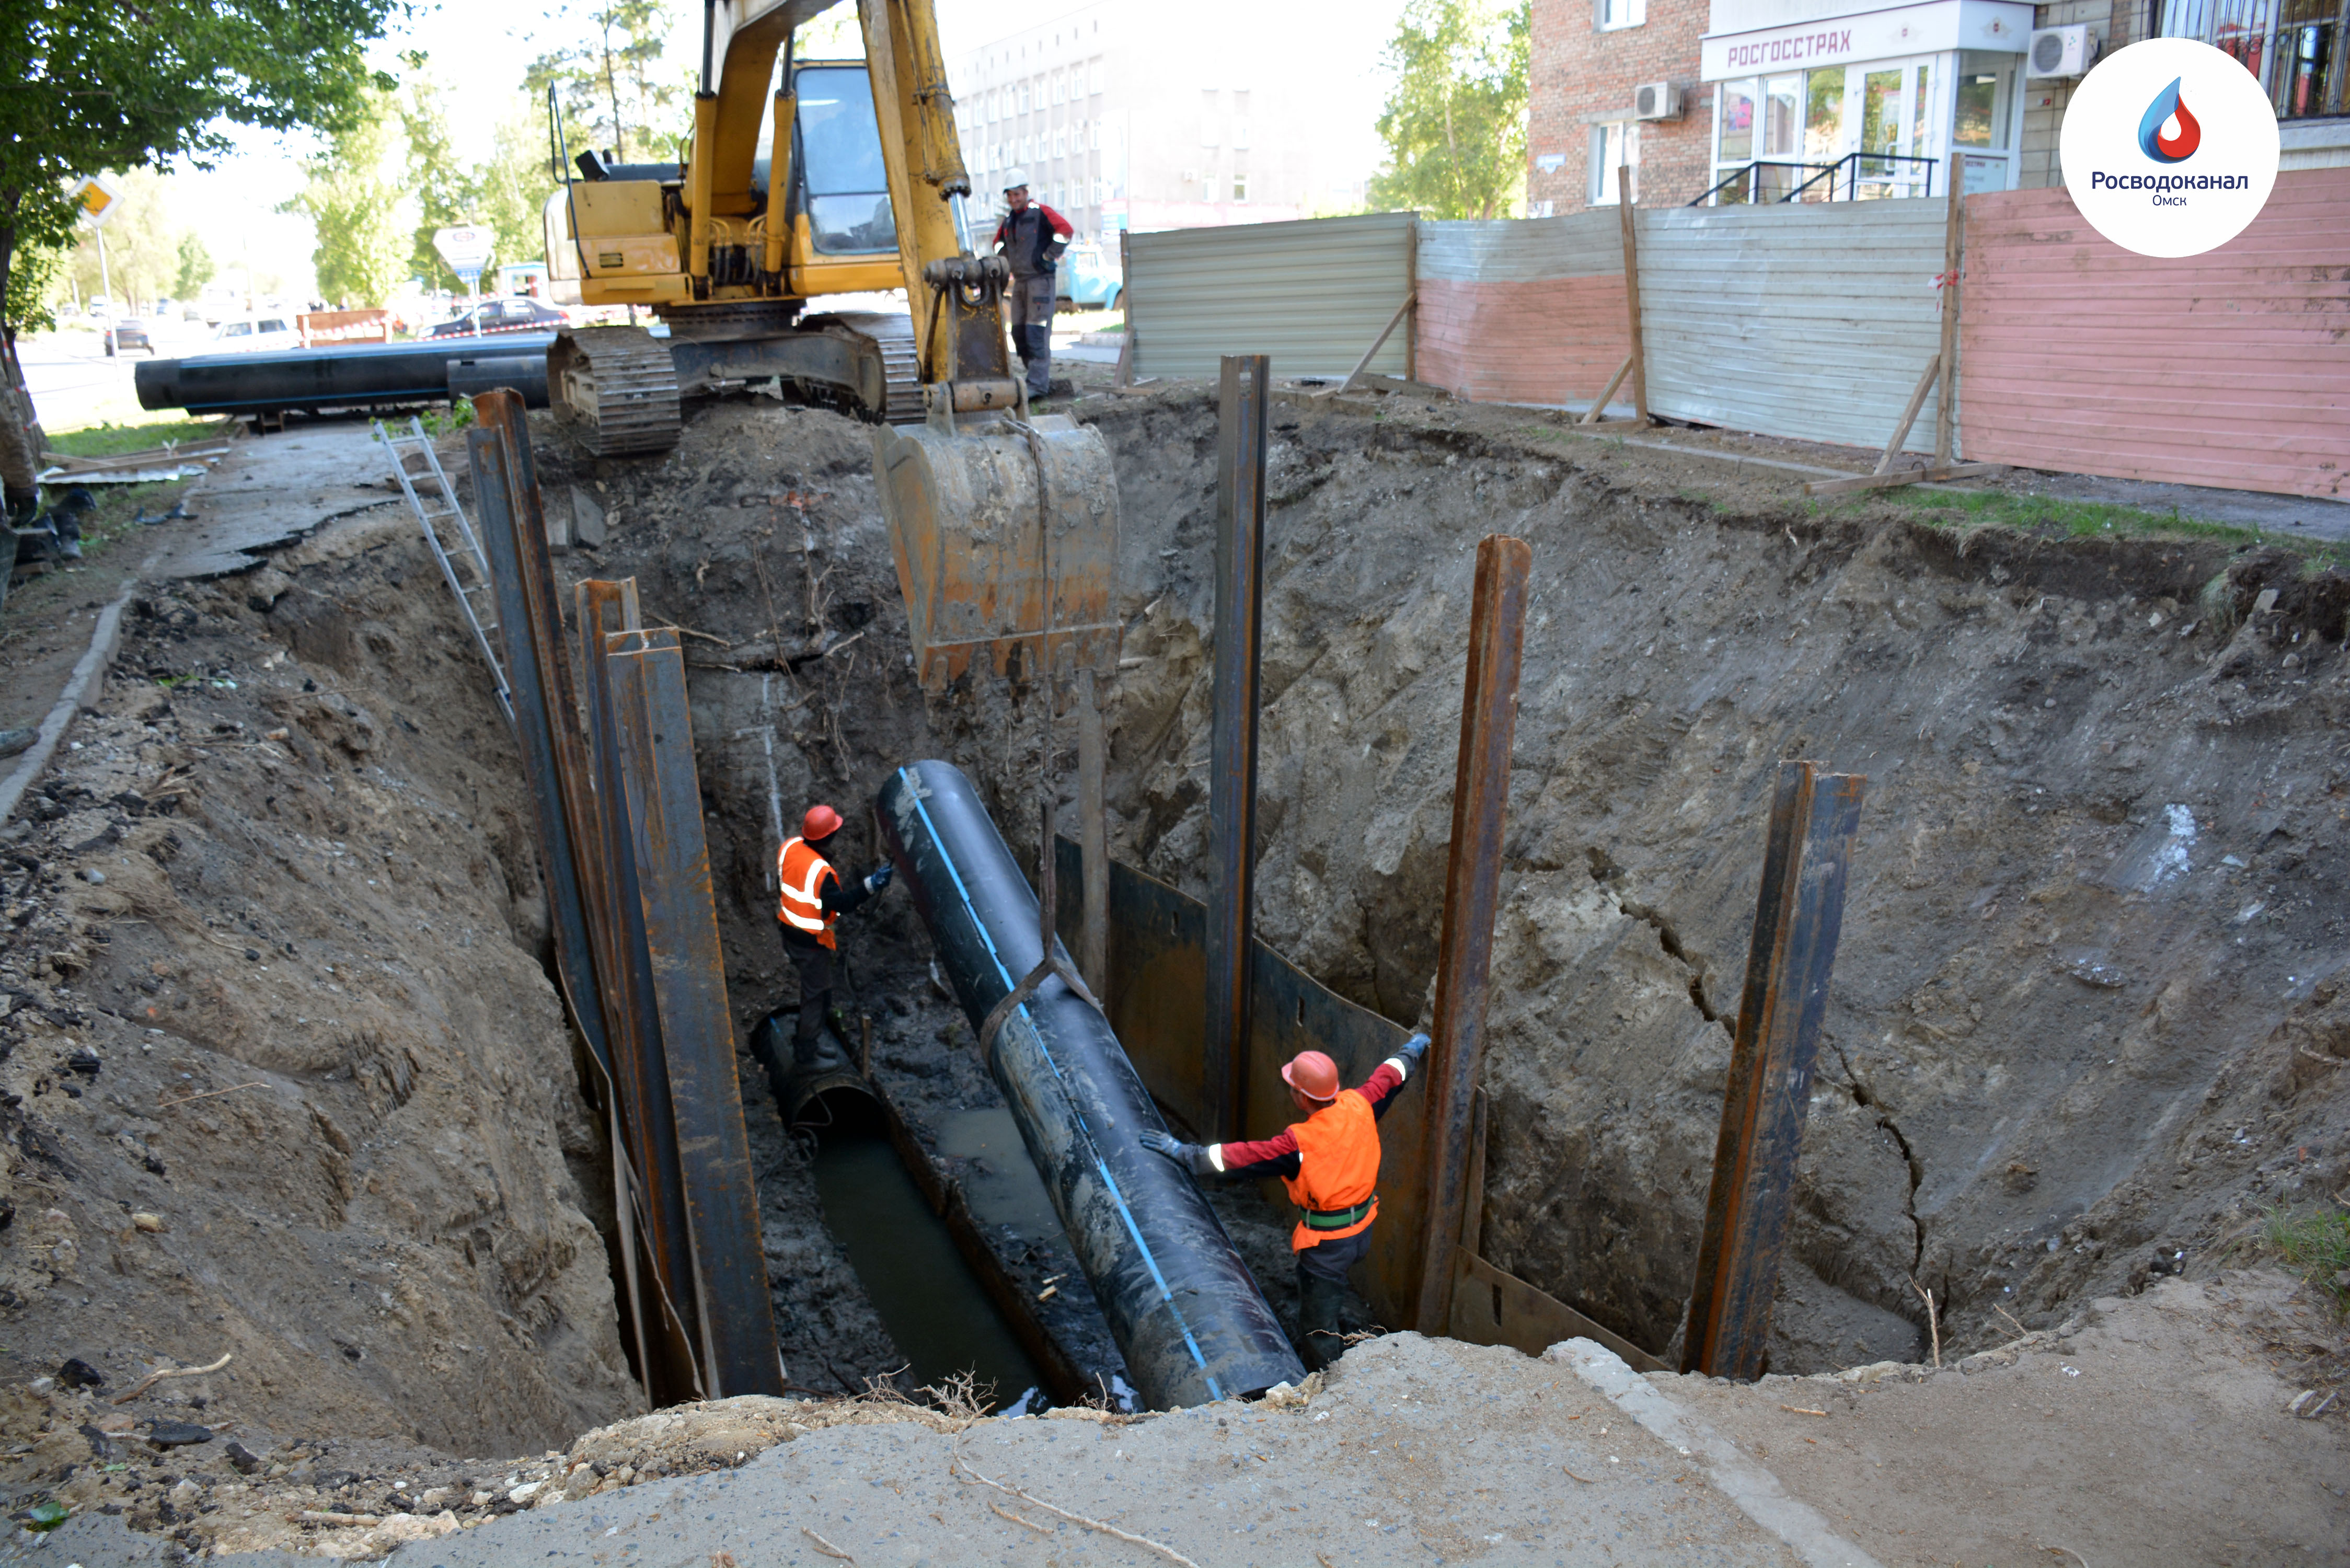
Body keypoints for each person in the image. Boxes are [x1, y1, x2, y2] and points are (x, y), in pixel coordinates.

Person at [1141, 1033, 1431, 1370]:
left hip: (1328, 1245)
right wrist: (1411, 1051)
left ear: (1302, 1097)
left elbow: (1243, 1158)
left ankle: (1331, 1380)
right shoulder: (1360, 1104)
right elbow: (1390, 1076)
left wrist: (1186, 1154)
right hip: (1363, 1228)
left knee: (1318, 1325)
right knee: (1334, 1288)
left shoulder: (1300, 1143)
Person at [775, 803, 894, 1069]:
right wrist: (871, 885)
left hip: (789, 930)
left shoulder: (790, 847)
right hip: (810, 943)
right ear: (829, 836)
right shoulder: (821, 872)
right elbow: (842, 904)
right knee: (816, 998)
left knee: (816, 992)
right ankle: (807, 1056)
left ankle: (811, 1042)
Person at [989, 170, 1073, 401]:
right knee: (1018, 333)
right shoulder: (1009, 221)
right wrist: (1006, 260)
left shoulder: (1041, 213)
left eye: (1017, 194)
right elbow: (997, 244)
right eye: (1010, 196)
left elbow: (1065, 231)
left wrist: (1047, 257)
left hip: (1040, 282)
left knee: (1036, 333)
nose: (1014, 199)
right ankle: (1033, 378)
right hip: (1021, 283)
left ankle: (1038, 384)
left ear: (1026, 193)